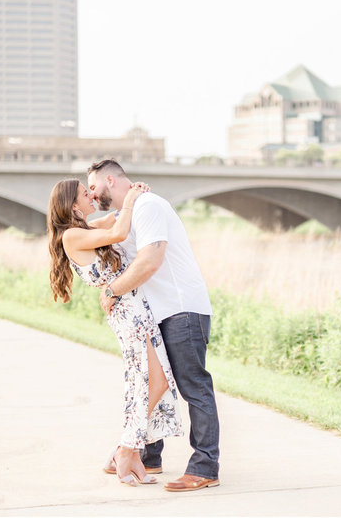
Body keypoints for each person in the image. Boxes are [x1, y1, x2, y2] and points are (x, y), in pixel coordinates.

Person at [87, 159, 220, 493]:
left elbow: (151, 259)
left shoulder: (149, 206)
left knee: (194, 386)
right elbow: (83, 231)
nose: (91, 193)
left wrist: (112, 290)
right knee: (150, 381)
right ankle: (149, 455)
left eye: (93, 186)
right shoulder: (125, 214)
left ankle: (205, 467)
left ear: (110, 180)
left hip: (181, 308)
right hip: (155, 313)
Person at [46, 178, 183, 487]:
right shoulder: (71, 236)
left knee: (151, 380)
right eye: (85, 193)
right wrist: (133, 196)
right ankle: (124, 450)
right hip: (126, 311)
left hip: (135, 305)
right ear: (73, 204)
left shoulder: (89, 228)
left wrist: (132, 195)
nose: (91, 195)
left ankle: (130, 453)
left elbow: (117, 220)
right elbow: (119, 232)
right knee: (154, 380)